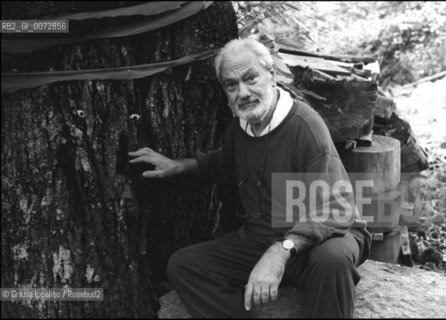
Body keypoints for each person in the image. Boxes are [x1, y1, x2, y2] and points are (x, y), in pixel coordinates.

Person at [128, 38, 371, 318]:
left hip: (322, 238)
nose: (242, 92)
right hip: (263, 239)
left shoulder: (306, 127)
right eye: (231, 85)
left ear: (271, 75)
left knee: (332, 260)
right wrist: (181, 166)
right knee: (183, 266)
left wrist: (280, 252)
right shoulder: (241, 126)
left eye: (250, 78)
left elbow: (335, 208)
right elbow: (224, 161)